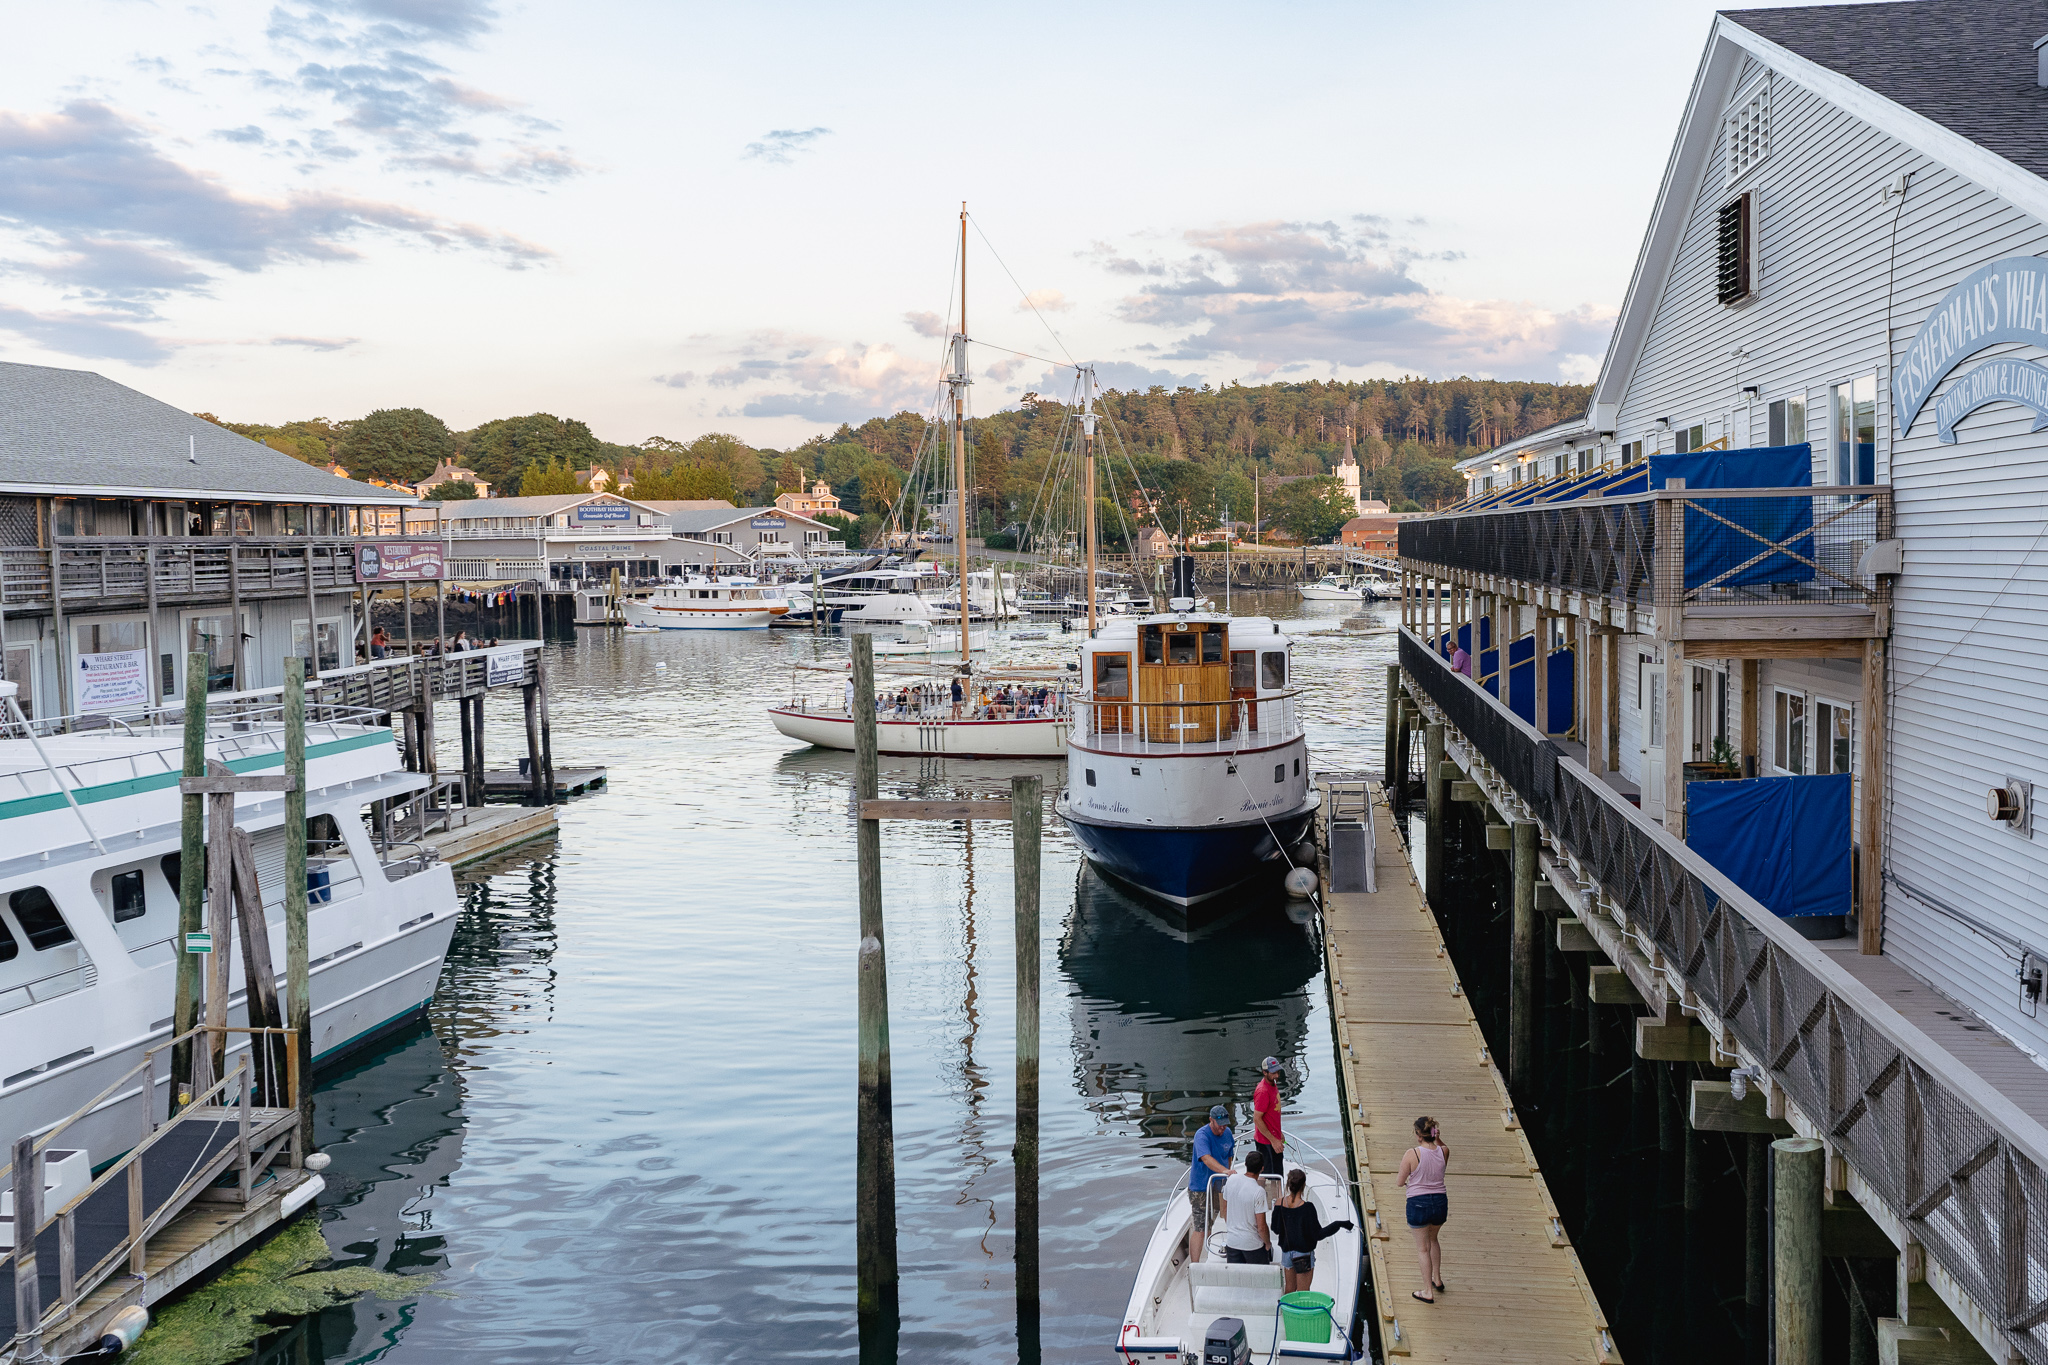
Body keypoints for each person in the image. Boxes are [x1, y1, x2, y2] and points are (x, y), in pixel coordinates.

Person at [1271, 1168, 1354, 1294]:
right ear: (1304, 1185)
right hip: (1303, 1255)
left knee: (1289, 1289)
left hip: (1286, 1253)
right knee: (1303, 1292)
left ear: (1288, 1184)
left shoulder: (1279, 1203)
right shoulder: (1308, 1208)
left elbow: (1275, 1229)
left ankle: (1287, 1311)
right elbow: (1318, 1234)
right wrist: (1339, 1224)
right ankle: (1301, 1313)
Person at [1397, 1115, 1449, 1302]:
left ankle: (1427, 1291)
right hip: (1440, 1203)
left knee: (1422, 1249)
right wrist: (1437, 1138)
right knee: (1433, 1240)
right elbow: (1442, 1147)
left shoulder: (1412, 1154)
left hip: (1418, 1204)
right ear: (1433, 1133)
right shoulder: (1444, 1151)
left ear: (1418, 1135)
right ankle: (1437, 1279)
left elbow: (1399, 1182)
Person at [1187, 1105, 1235, 1263]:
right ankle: (1194, 1265)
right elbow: (1206, 1158)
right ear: (1211, 1120)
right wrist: (1225, 1171)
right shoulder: (1202, 1135)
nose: (1222, 1128)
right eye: (1219, 1124)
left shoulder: (1227, 1133)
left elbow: (1229, 1156)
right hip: (1201, 1188)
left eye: (1225, 1124)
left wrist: (1227, 1173)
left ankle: (1216, 1254)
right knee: (1201, 1228)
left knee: (1219, 1220)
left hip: (1219, 1185)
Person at [1217, 1149, 1273, 1265]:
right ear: (1262, 1168)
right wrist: (1268, 1244)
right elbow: (1261, 1227)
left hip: (1232, 1243)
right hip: (1253, 1246)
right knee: (1260, 1280)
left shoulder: (1231, 1180)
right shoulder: (1259, 1191)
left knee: (1237, 1280)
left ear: (1246, 1165)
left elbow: (1225, 1209)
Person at [1253, 1056, 1285, 1185]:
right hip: (1266, 1142)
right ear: (1264, 1072)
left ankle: (1277, 1197)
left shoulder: (1273, 1084)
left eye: (1278, 1072)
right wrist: (1273, 1140)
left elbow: (1272, 1114)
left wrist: (1279, 1133)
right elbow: (1257, 1118)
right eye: (1273, 1073)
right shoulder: (1263, 1091)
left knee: (1277, 1173)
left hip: (1273, 1137)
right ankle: (1272, 1201)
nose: (1276, 1075)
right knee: (1271, 1176)